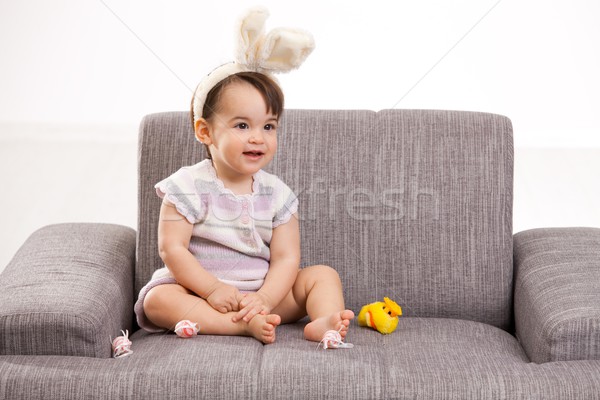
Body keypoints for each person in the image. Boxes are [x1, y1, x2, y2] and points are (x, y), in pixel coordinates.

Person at [134, 7, 353, 346]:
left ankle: (323, 320)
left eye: (268, 126)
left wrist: (265, 298)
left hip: (264, 296)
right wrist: (212, 289)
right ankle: (236, 327)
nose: (257, 137)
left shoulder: (277, 194)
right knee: (157, 300)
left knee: (322, 276)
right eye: (242, 125)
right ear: (205, 132)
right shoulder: (188, 186)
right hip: (202, 293)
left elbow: (286, 258)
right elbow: (172, 249)